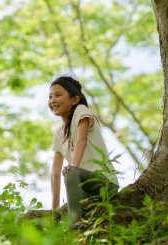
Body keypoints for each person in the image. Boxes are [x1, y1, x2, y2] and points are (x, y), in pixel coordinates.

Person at [48, 73, 119, 228]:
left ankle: (76, 227)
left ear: (74, 99)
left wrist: (73, 167)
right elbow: (54, 173)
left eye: (58, 95)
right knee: (63, 211)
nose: (52, 100)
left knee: (71, 172)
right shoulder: (59, 133)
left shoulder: (81, 111)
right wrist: (53, 212)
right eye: (50, 96)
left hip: (105, 184)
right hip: (86, 190)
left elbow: (82, 140)